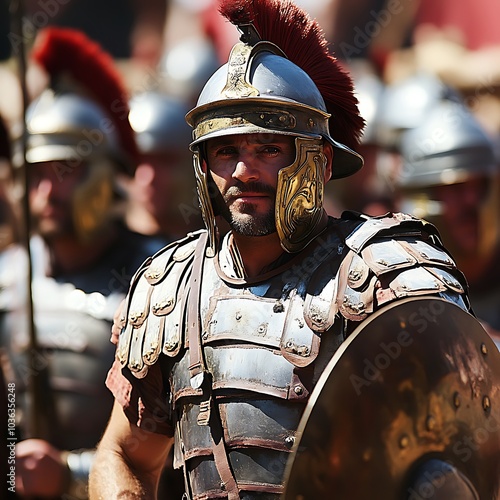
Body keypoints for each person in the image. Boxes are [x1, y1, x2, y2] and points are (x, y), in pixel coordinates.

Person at [89, 1, 500, 498]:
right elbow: (125, 454)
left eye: (267, 149)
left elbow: (469, 450)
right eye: (226, 151)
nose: (243, 171)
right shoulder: (168, 289)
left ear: (320, 162)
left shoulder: (390, 274)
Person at [0, 27, 158, 499]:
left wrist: (69, 473)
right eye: (35, 175)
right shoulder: (7, 276)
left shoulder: (161, 278)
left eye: (65, 171)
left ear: (105, 174)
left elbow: (181, 441)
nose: (47, 192)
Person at [395, 98, 500, 349]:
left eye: (479, 186)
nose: (471, 201)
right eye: (455, 188)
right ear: (422, 193)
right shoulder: (400, 288)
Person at [126, 90, 202, 244]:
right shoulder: (99, 252)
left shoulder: (223, 251)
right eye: (138, 161)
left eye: (163, 161)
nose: (147, 178)